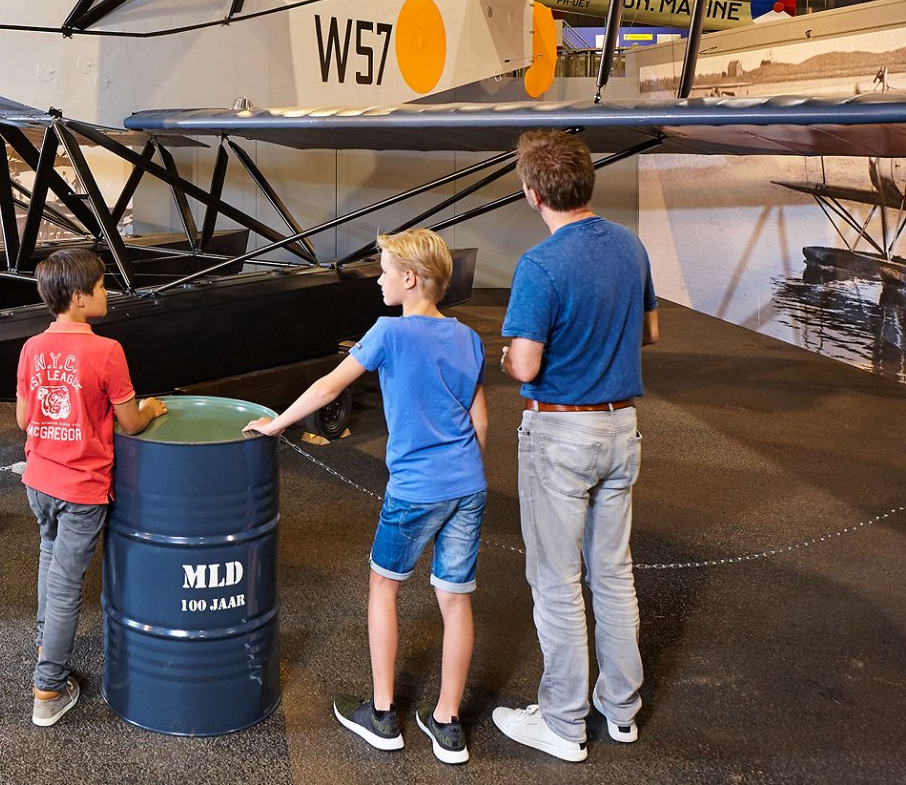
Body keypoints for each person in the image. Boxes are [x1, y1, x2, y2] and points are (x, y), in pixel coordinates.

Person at [247, 228, 487, 764]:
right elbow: (479, 418)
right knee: (454, 598)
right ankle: (448, 725)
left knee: (384, 586)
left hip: (415, 490)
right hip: (466, 485)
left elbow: (330, 387)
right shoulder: (467, 338)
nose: (378, 279)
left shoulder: (387, 333)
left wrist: (277, 423)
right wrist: (465, 475)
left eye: (383, 270)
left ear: (409, 278)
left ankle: (382, 716)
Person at [492, 130, 658, 762]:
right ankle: (621, 712)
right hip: (622, 430)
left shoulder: (540, 265)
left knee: (557, 582)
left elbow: (528, 366)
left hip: (561, 433)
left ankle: (563, 724)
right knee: (612, 574)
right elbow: (650, 331)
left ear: (534, 194)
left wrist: (510, 357)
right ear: (588, 181)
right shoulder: (629, 246)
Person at [16, 249, 168, 727]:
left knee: (48, 558)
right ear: (80, 298)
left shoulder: (31, 348)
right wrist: (151, 409)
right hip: (81, 487)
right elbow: (130, 421)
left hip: (39, 480)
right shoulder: (107, 351)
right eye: (102, 287)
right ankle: (48, 687)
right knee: (65, 589)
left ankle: (46, 642)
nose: (107, 293)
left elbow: (24, 418)